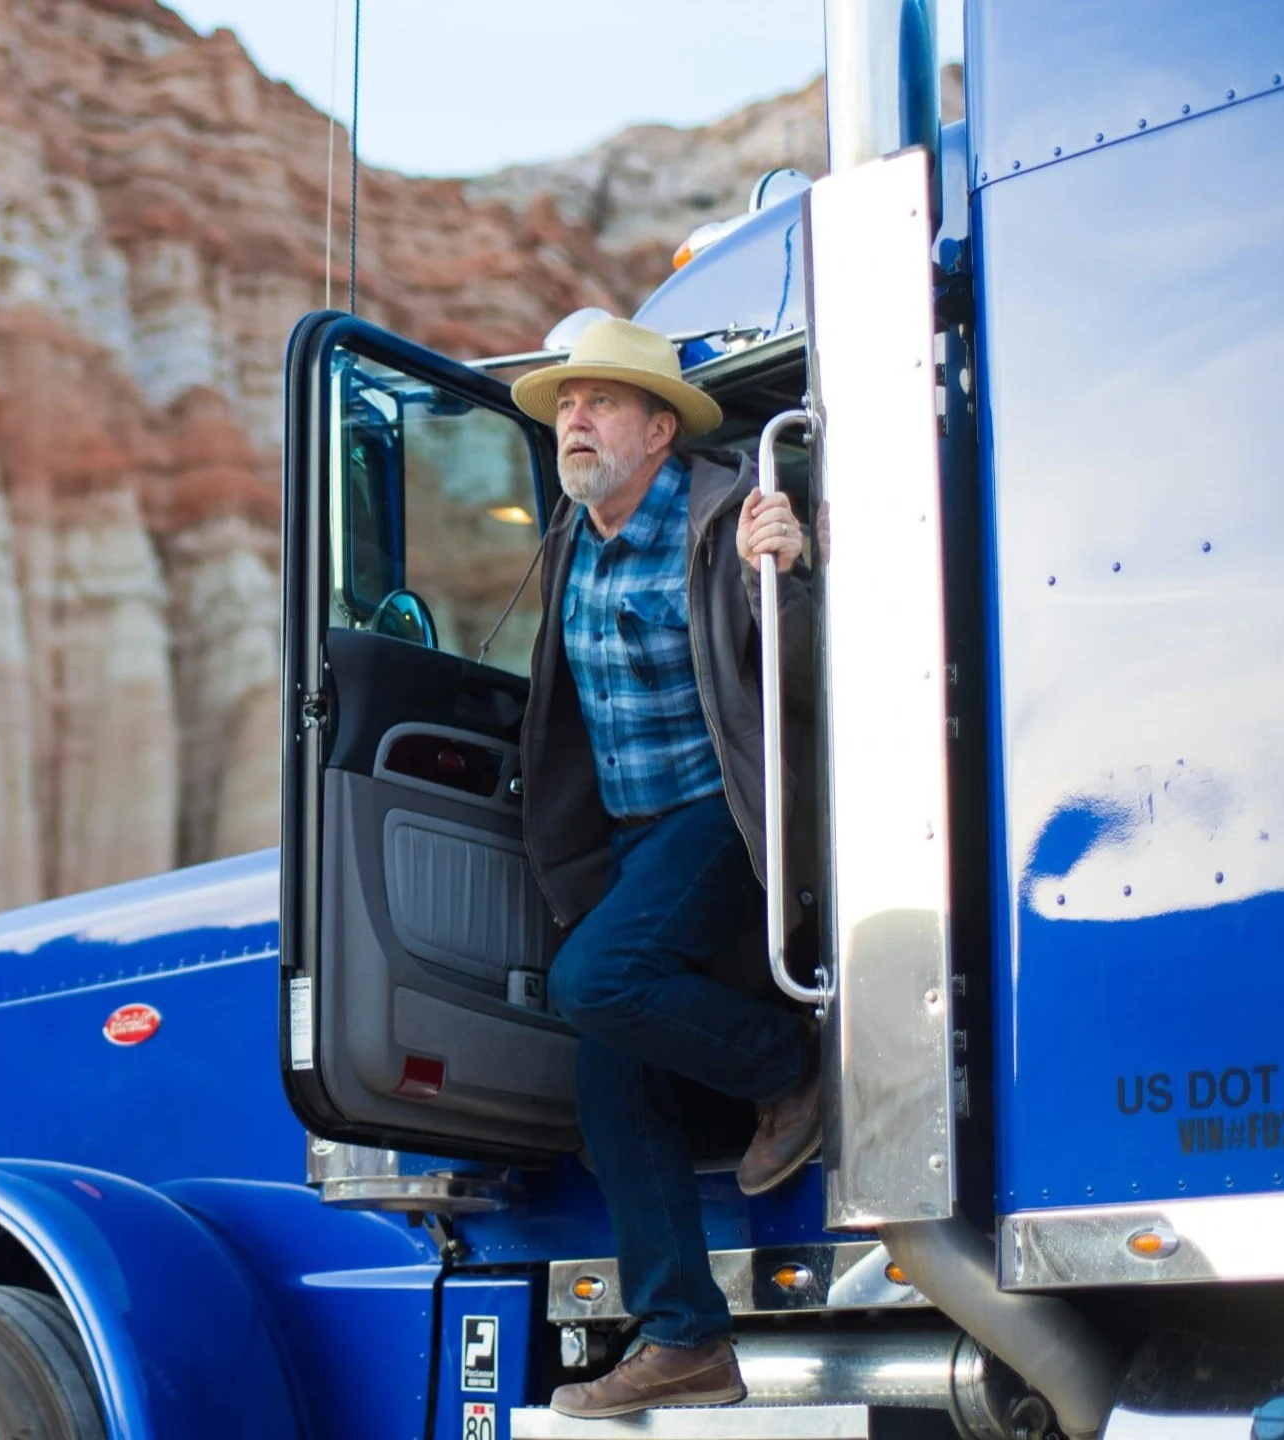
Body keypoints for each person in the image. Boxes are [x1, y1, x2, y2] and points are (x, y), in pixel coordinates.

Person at [505, 318, 820, 1417]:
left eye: (599, 401)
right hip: (631, 836)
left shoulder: (726, 517)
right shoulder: (571, 537)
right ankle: (687, 1339)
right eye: (564, 405)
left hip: (722, 810)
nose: (574, 420)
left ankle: (788, 1067)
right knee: (609, 1068)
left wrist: (786, 578)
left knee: (593, 981)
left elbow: (808, 675)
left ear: (656, 430)